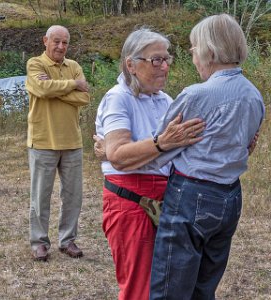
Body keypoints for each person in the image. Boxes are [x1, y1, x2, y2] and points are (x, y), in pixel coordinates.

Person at [147, 14, 265, 299]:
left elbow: (161, 147)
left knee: (169, 289)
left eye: (193, 48)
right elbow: (247, 144)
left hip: (192, 194)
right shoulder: (254, 95)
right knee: (204, 287)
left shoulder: (196, 94)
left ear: (210, 51)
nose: (192, 56)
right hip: (230, 197)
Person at [94, 28, 206, 300]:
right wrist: (160, 143)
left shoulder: (165, 100)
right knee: (139, 289)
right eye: (156, 60)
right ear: (131, 64)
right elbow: (120, 156)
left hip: (165, 198)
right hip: (131, 202)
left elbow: (181, 144)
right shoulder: (118, 98)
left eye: (167, 59)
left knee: (167, 284)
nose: (165, 66)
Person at [25, 25, 90, 262]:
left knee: (73, 196)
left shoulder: (74, 66)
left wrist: (54, 89)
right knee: (40, 196)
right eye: (56, 41)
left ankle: (67, 240)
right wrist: (73, 85)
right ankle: (39, 242)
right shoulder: (35, 64)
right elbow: (41, 89)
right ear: (45, 40)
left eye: (65, 43)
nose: (61, 47)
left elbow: (85, 97)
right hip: (43, 141)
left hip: (72, 142)